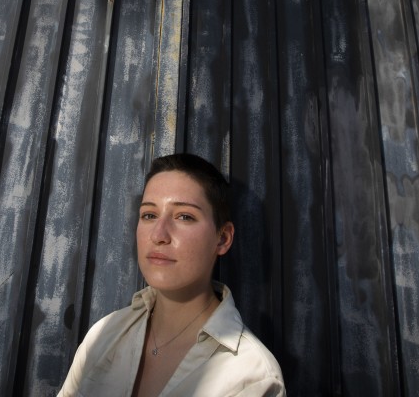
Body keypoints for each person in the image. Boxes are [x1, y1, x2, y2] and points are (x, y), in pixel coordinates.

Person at [58, 153, 285, 396]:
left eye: (184, 216)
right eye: (149, 215)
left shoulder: (251, 376)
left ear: (223, 238)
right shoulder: (103, 335)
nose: (159, 235)